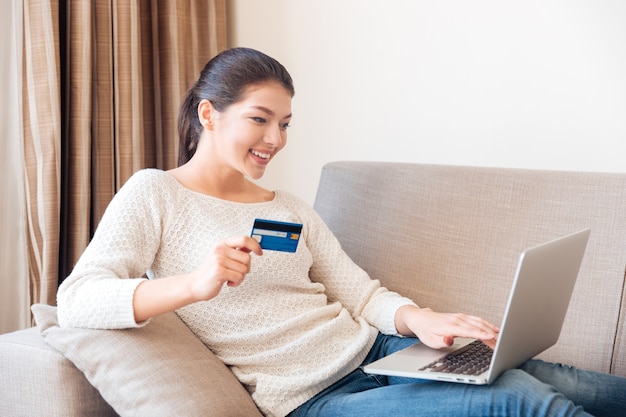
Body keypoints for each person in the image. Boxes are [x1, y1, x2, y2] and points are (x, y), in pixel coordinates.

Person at [57, 47, 626, 417]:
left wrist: (418, 320)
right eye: (260, 118)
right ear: (209, 115)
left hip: (378, 353)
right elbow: (76, 299)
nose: (275, 139)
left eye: (284, 124)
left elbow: (359, 293)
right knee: (524, 401)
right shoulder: (155, 192)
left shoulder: (290, 206)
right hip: (315, 399)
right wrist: (193, 284)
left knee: (572, 383)